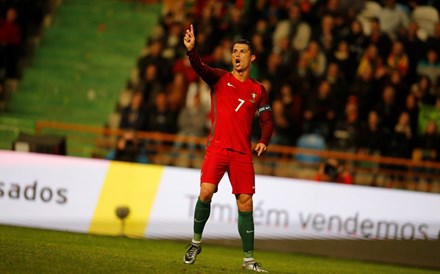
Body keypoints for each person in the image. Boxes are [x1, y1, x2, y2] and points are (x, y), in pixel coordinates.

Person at [182, 24, 273, 273]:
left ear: (251, 57)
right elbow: (200, 67)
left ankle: (248, 260)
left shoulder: (258, 90)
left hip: (242, 152)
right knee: (206, 192)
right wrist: (192, 51)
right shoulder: (220, 78)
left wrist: (264, 139)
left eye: (242, 51)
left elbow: (267, 120)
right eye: (234, 50)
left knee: (246, 204)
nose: (237, 54)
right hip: (218, 148)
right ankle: (196, 242)